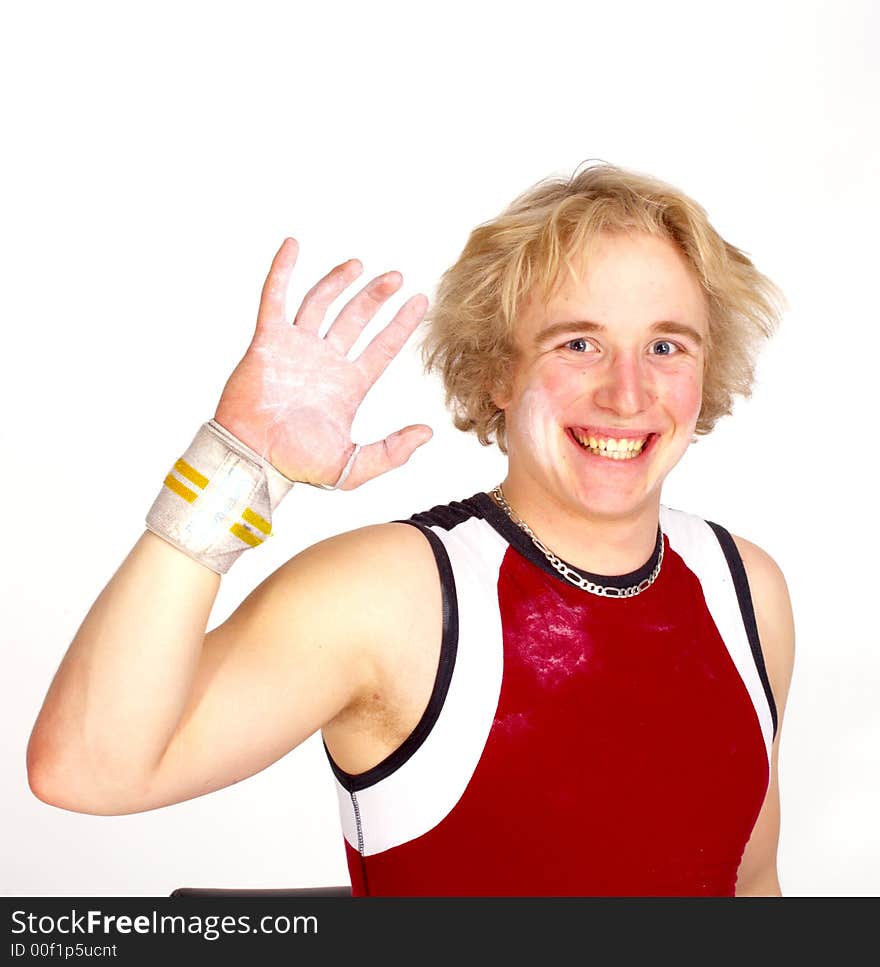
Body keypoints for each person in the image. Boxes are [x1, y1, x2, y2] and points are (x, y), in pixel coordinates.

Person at [27, 162, 795, 897]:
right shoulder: (394, 596)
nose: (627, 394)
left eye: (666, 346)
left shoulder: (745, 588)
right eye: (577, 343)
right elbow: (87, 767)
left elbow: (750, 882)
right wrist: (238, 465)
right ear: (499, 370)